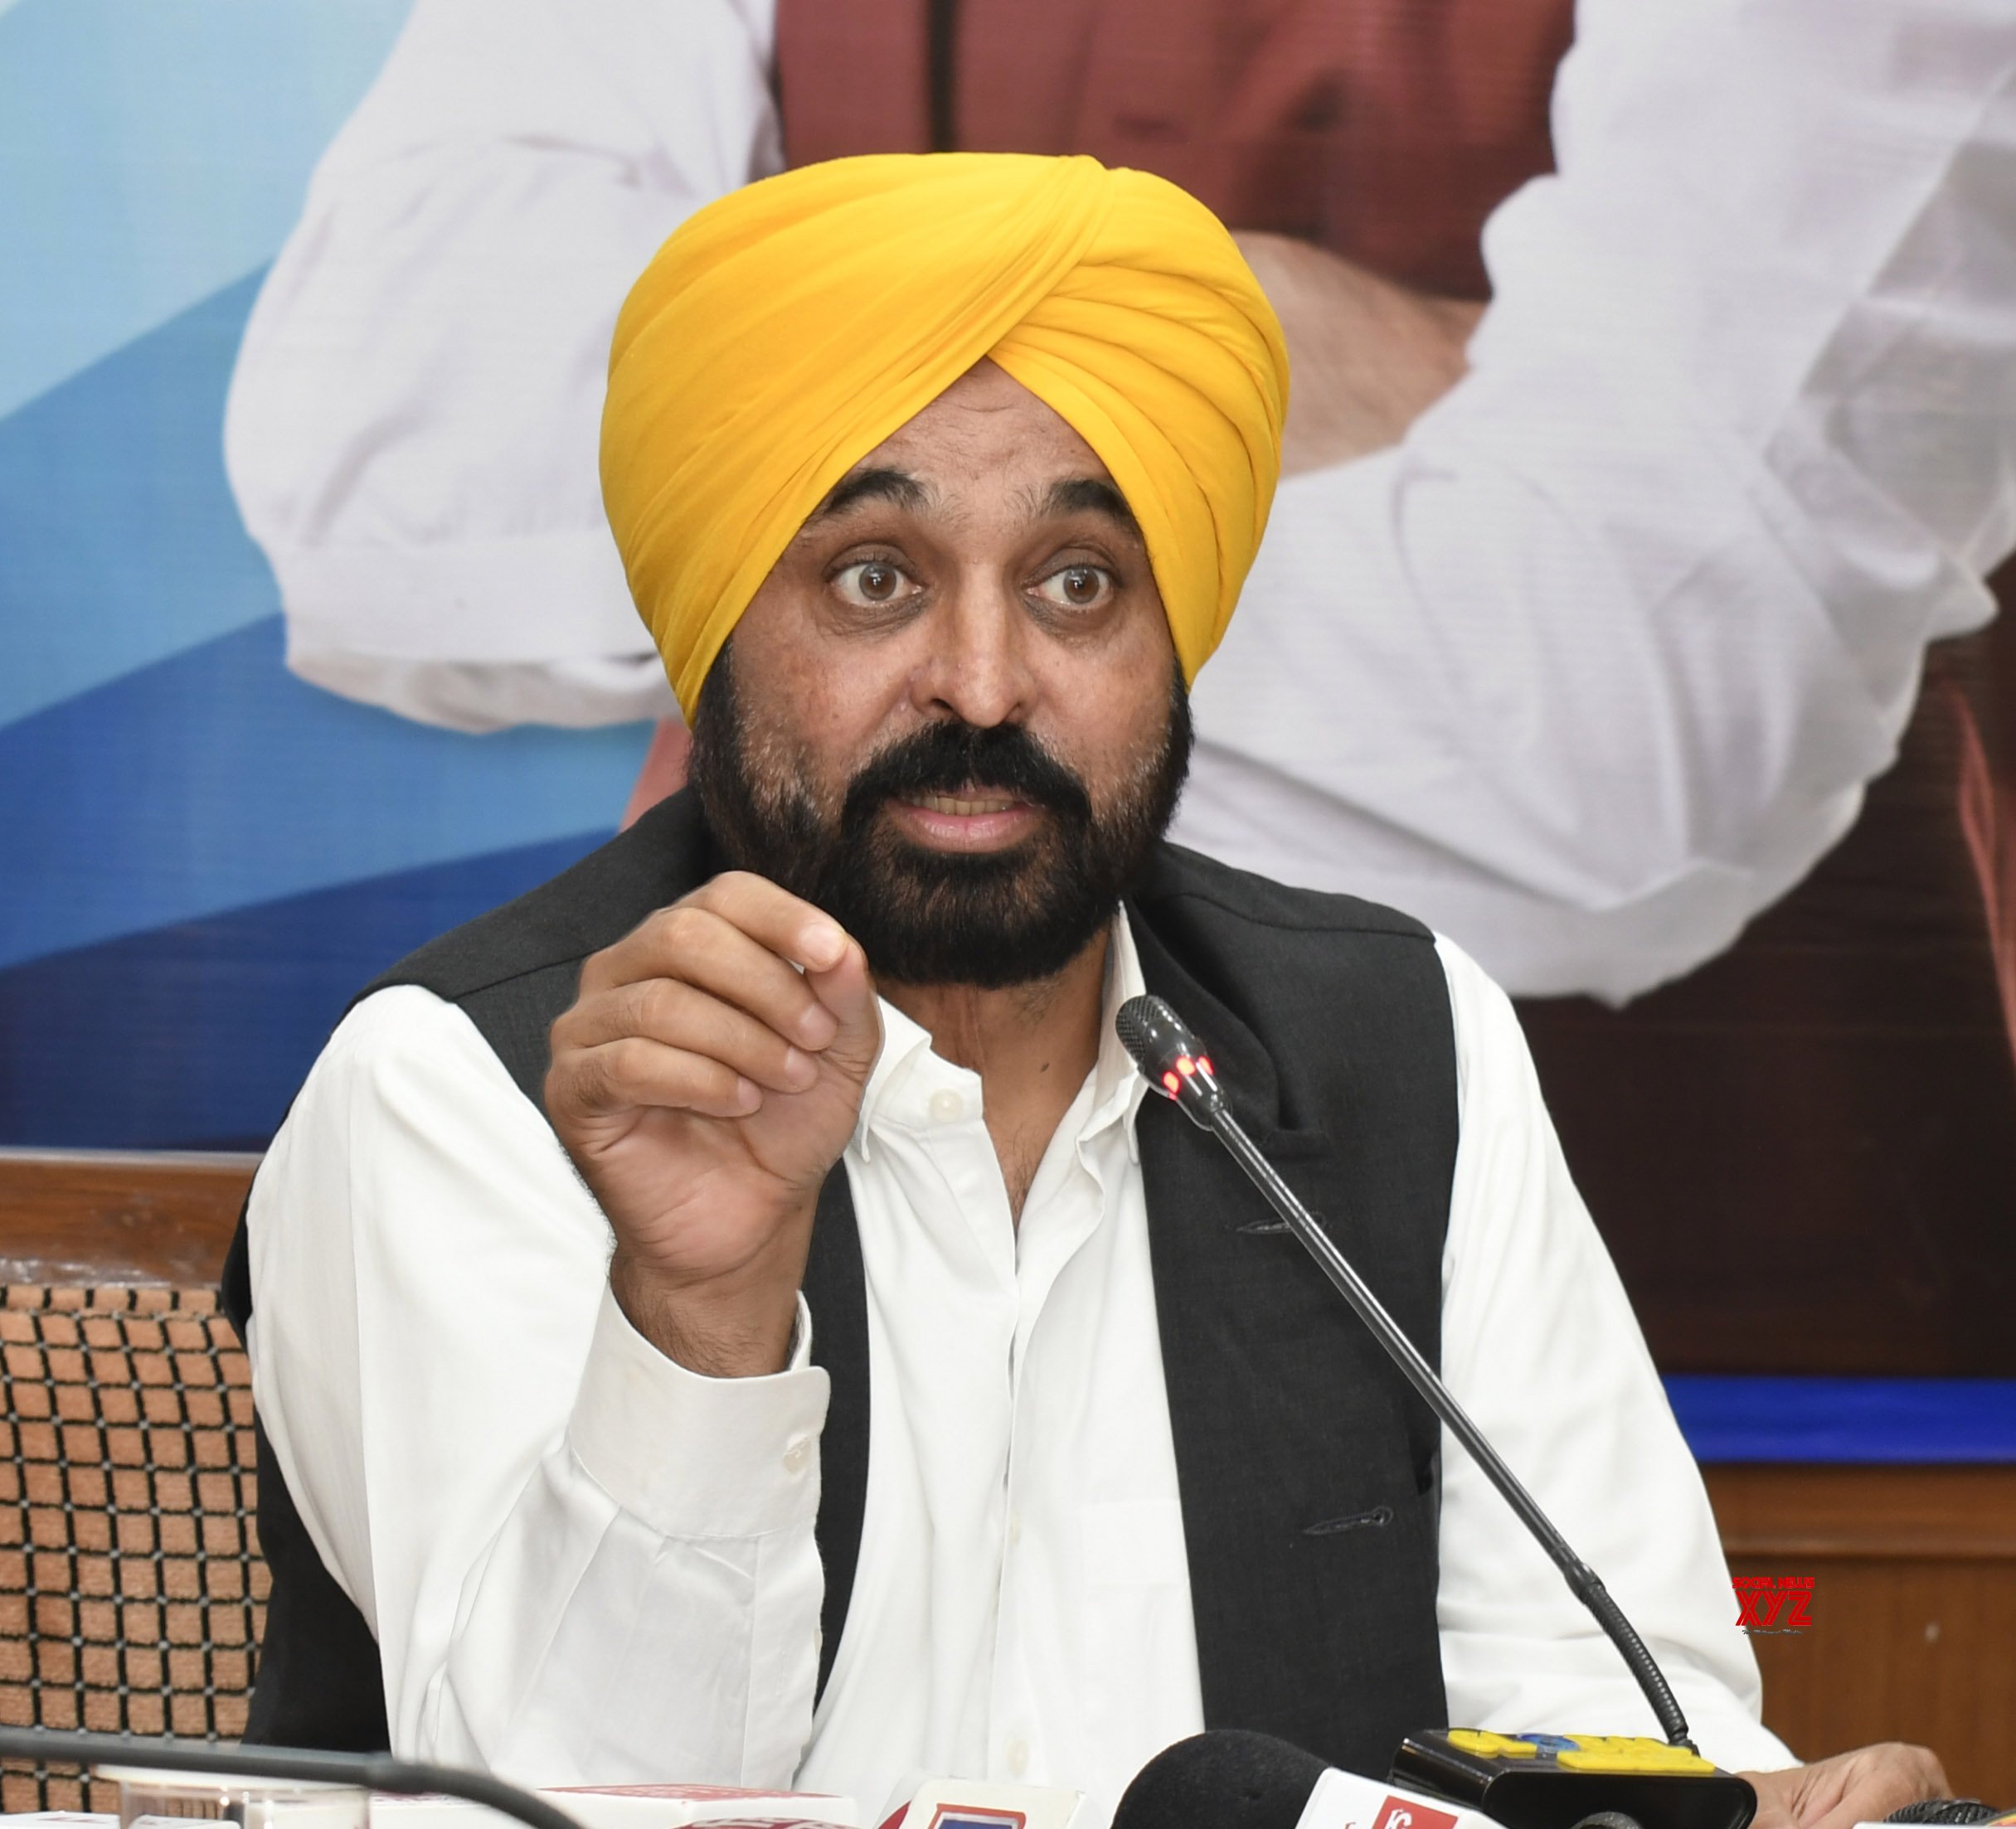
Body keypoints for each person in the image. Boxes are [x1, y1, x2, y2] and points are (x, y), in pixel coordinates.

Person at [227, 154, 1944, 1829]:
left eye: (1076, 585)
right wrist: (699, 1321)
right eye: (874, 578)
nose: (982, 681)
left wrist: (1747, 1806)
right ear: (715, 623)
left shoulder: (1397, 1043)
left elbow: (1607, 1717)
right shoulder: (468, 1086)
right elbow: (562, 1801)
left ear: (1171, 630)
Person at [222, 0, 2016, 1002]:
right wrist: (1248, 331)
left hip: (1669, 1326)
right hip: (805, 1208)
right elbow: (387, 473)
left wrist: (789, 426)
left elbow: (1614, 718)